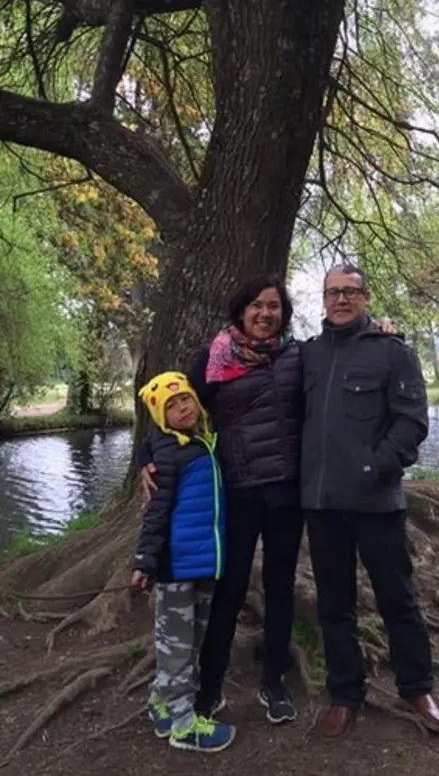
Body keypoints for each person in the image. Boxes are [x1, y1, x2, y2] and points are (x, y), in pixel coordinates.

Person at [140, 276, 304, 725]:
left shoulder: (297, 358)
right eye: (255, 305)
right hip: (236, 493)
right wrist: (143, 459)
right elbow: (170, 411)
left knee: (279, 588)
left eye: (273, 306)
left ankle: (274, 682)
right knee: (228, 592)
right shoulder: (212, 360)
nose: (265, 313)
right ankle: (208, 688)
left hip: (287, 493)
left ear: (283, 314)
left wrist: (383, 331)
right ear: (240, 312)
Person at [301, 264, 439, 740]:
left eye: (350, 292)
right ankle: (345, 695)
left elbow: (412, 423)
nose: (340, 300)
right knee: (334, 606)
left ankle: (417, 687)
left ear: (366, 297)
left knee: (398, 599)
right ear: (322, 299)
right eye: (332, 292)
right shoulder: (306, 356)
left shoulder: (393, 353)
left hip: (377, 501)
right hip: (322, 505)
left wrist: (374, 468)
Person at [133, 371, 236, 753]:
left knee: (191, 642)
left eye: (186, 399)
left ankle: (161, 699)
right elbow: (157, 512)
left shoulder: (203, 442)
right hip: (176, 568)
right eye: (171, 406)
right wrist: (145, 559)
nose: (182, 408)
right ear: (161, 418)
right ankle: (183, 724)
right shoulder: (169, 455)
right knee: (175, 646)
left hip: (206, 565)